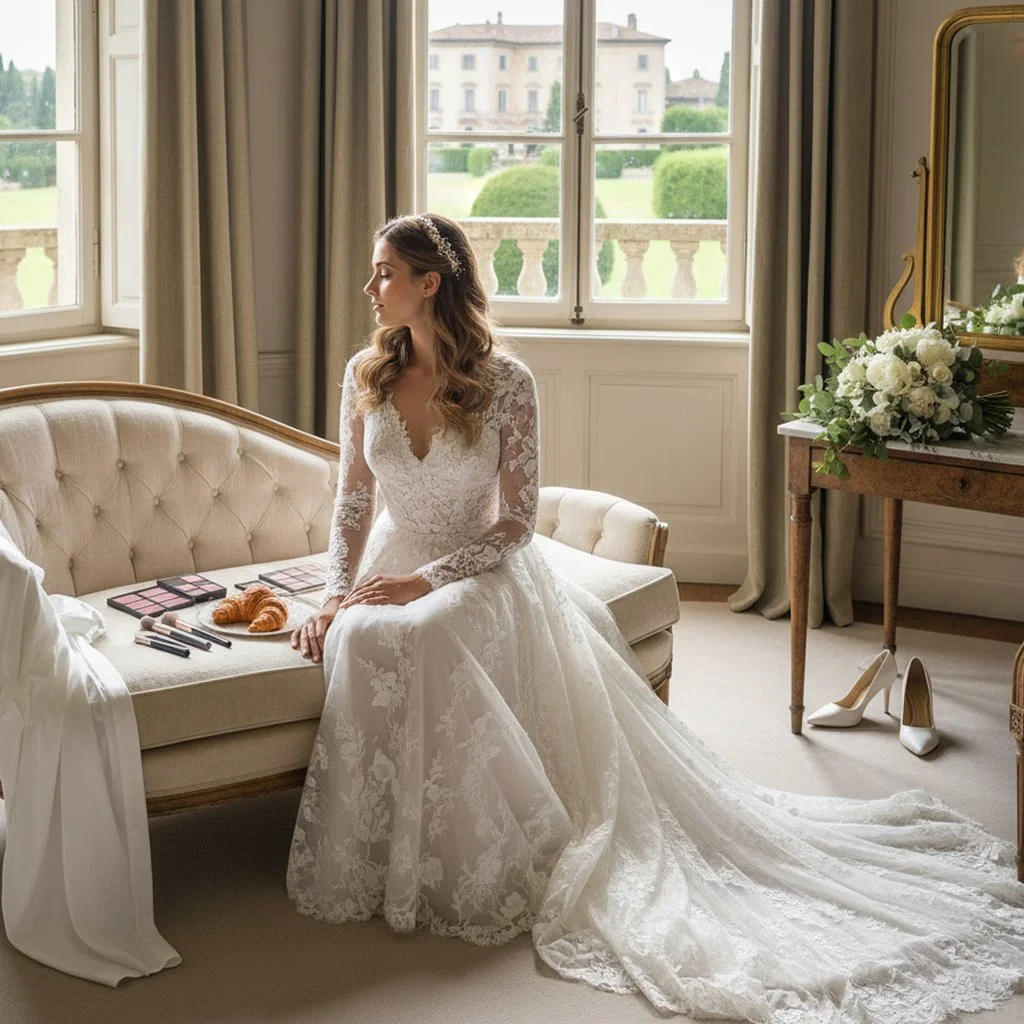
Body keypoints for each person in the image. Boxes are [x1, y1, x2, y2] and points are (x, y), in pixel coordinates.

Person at [287, 213, 1024, 1023]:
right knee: (359, 632)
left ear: (431, 283)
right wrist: (333, 592)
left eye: (384, 272)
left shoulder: (507, 382)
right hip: (397, 559)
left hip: (478, 567)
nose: (369, 289)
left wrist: (427, 581)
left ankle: (470, 858)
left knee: (422, 630)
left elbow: (517, 522)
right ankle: (385, 854)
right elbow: (353, 501)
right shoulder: (369, 372)